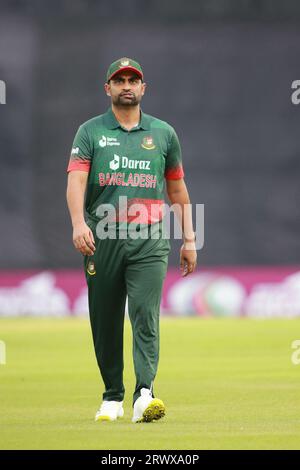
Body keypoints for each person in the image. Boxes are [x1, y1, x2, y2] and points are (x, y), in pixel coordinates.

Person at [66, 57, 197, 423]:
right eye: (119, 80)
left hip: (150, 240)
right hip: (102, 238)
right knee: (105, 319)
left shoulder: (163, 134)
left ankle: (144, 394)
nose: (127, 85)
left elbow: (177, 189)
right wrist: (79, 223)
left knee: (145, 314)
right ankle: (111, 397)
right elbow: (76, 181)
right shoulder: (90, 132)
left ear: (143, 89)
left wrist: (188, 239)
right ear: (107, 88)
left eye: (133, 80)